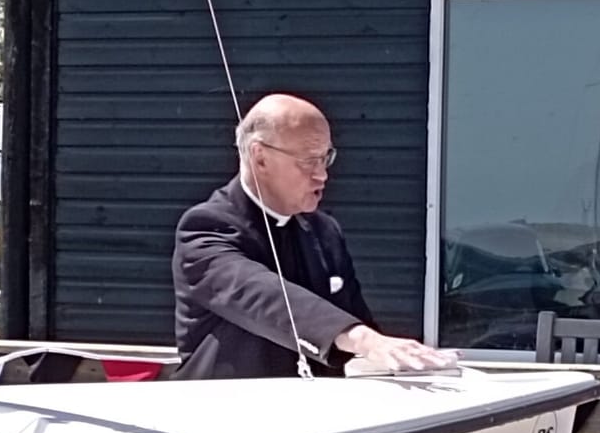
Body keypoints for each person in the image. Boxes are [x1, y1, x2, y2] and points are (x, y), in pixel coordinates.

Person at [170, 92, 454, 380]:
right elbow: (259, 295)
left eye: (325, 158)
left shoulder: (324, 231)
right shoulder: (206, 227)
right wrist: (362, 339)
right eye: (308, 161)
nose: (322, 175)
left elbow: (358, 328)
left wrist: (409, 359)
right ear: (260, 157)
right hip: (224, 405)